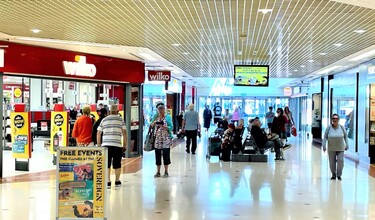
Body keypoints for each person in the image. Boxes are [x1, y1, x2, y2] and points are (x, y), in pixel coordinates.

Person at [97, 105, 127, 188]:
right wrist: (125, 144)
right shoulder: (120, 120)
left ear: (109, 111)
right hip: (117, 145)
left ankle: (108, 181)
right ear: (117, 111)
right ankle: (117, 181)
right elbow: (124, 133)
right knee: (117, 163)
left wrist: (99, 145)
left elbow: (99, 133)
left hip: (106, 145)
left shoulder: (104, 119)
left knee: (107, 164)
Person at [322, 114, 349, 181]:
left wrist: (347, 144)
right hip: (331, 148)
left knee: (341, 161)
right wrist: (324, 145)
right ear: (332, 119)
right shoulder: (329, 128)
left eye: (336, 118)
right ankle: (333, 174)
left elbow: (345, 136)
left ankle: (339, 175)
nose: (335, 120)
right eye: (333, 118)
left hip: (340, 148)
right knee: (332, 162)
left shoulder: (342, 127)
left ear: (338, 119)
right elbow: (325, 136)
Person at [150, 102, 173, 178]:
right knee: (158, 155)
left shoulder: (168, 117)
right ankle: (158, 172)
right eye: (159, 109)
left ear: (164, 109)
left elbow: (171, 127)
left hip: (166, 139)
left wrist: (163, 126)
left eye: (162, 109)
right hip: (157, 139)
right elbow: (151, 125)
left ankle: (166, 171)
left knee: (166, 155)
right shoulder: (156, 116)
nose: (160, 110)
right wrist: (154, 123)